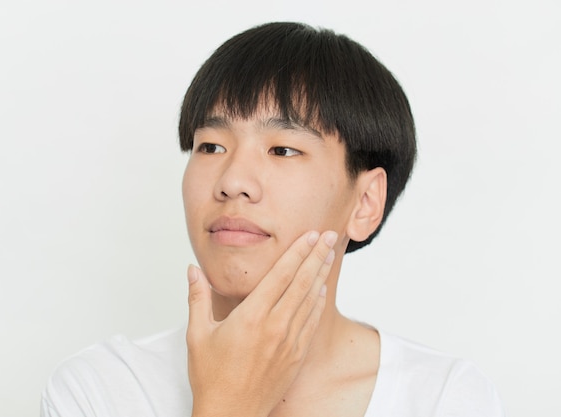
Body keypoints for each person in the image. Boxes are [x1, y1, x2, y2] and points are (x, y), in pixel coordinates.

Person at [41, 22, 505, 417]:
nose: (233, 181)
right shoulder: (101, 390)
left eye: (283, 149)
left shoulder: (444, 398)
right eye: (211, 146)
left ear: (365, 202)